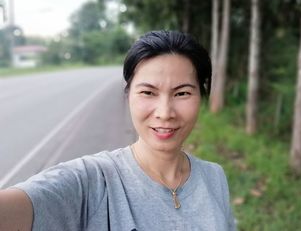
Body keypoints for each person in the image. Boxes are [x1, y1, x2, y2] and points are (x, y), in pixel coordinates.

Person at [0, 30, 236, 231]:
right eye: (148, 92)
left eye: (182, 93)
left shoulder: (215, 177)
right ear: (128, 95)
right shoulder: (93, 181)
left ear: (201, 97)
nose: (165, 112)